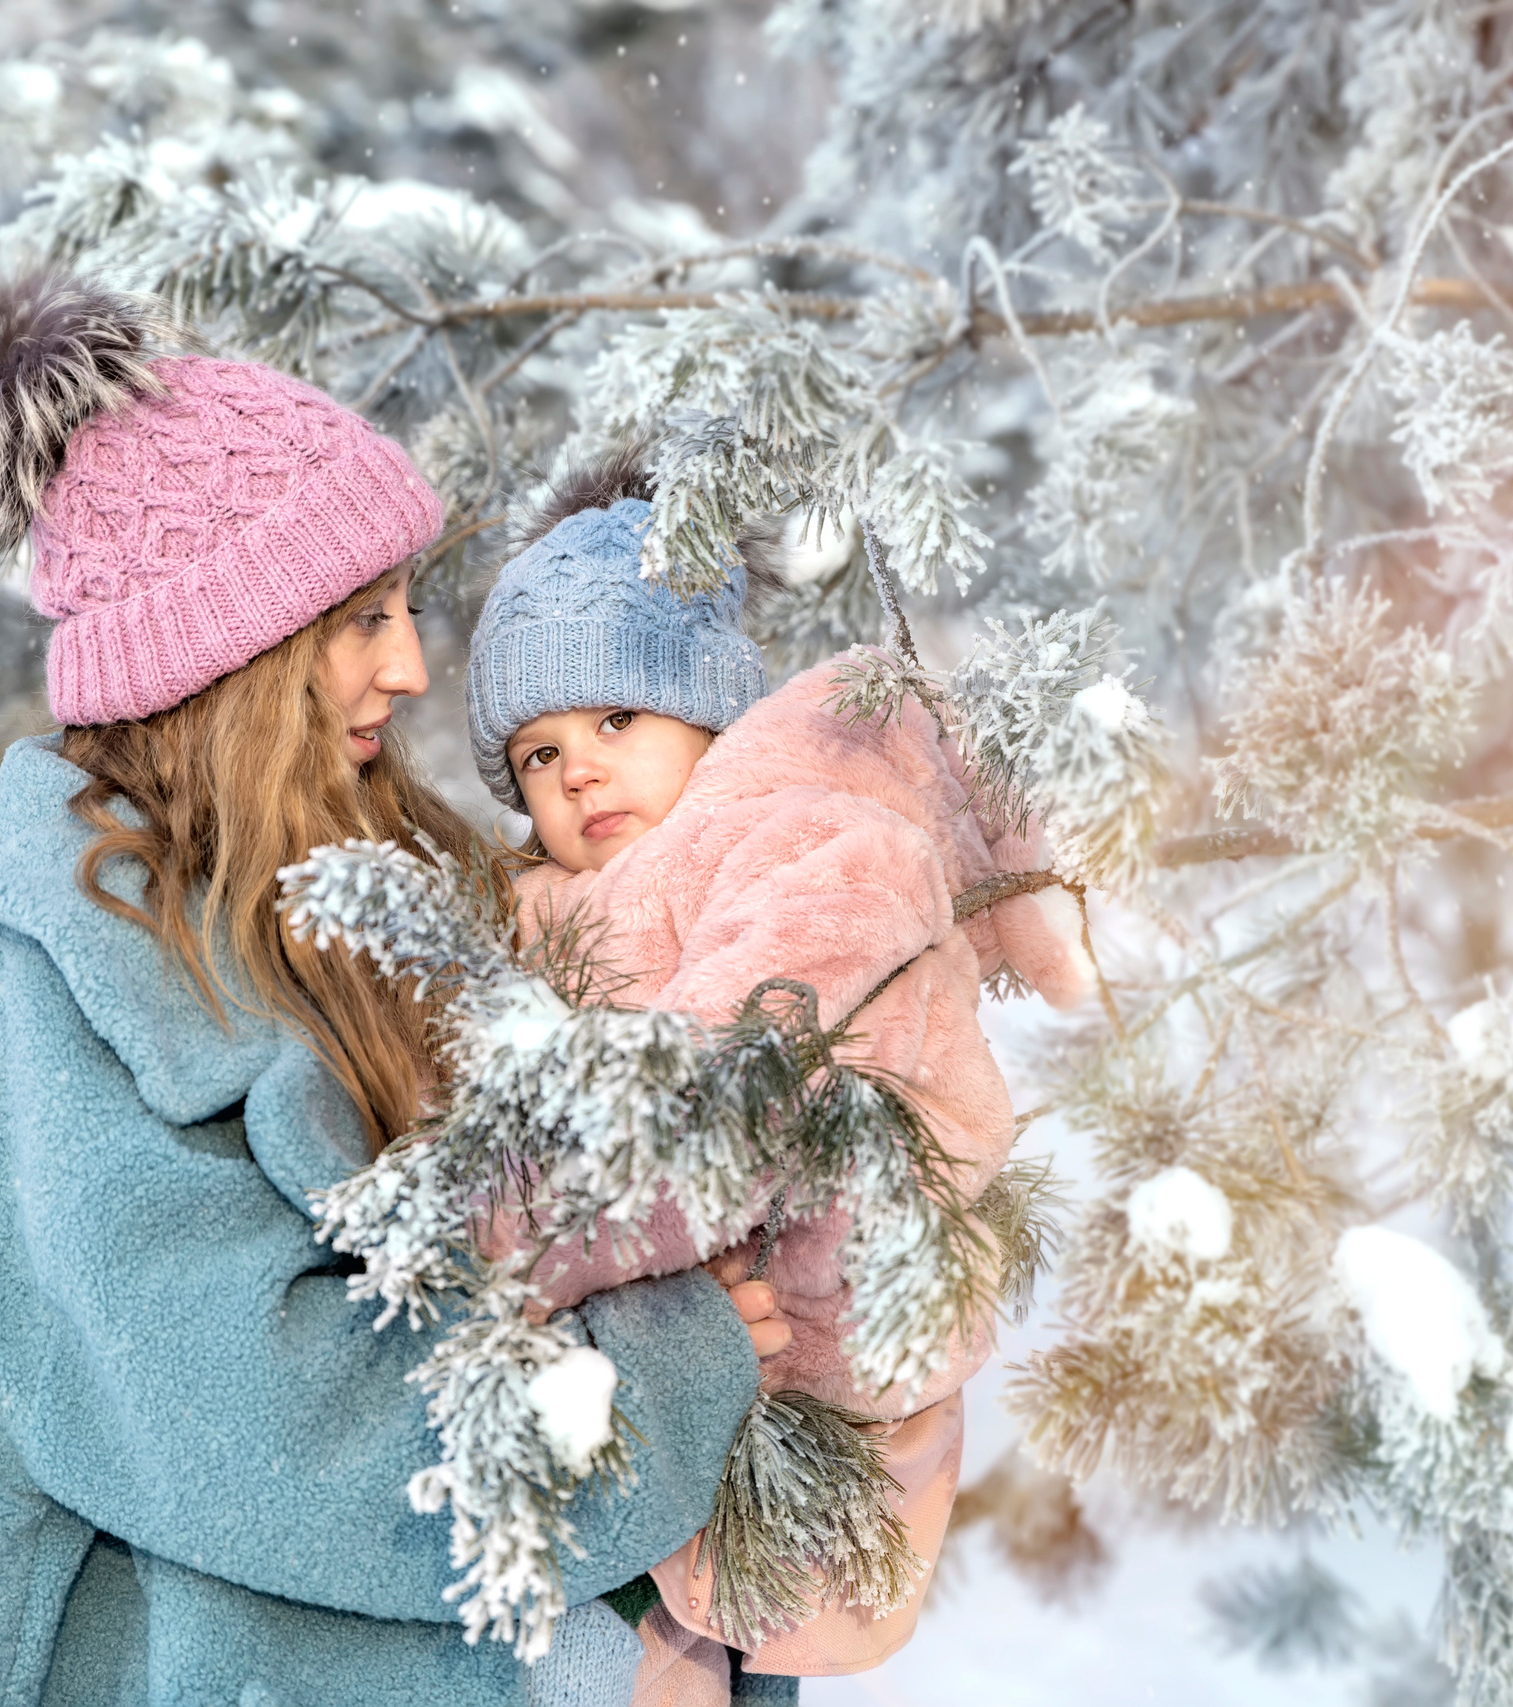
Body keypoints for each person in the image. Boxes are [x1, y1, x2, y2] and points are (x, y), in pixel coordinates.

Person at [0, 276, 787, 1707]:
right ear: (235, 653)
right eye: (363, 617)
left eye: (405, 607)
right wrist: (672, 1371)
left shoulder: (382, 884)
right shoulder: (73, 968)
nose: (414, 665)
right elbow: (264, 1429)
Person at [463, 459, 1093, 1699]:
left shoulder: (796, 850)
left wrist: (496, 1240)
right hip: (650, 1427)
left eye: (614, 722)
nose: (576, 773)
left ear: (710, 716)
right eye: (535, 755)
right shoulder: (538, 914)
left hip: (797, 1392)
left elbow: (707, 1118)